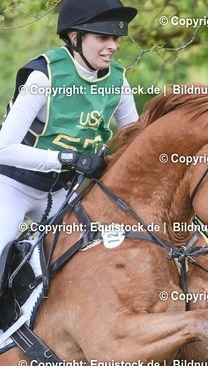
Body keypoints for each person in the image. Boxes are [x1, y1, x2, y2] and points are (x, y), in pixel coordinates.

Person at [0, 0, 139, 258]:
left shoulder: (118, 82)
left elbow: (136, 142)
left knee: (97, 256)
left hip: (61, 192)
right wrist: (70, 159)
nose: (113, 46)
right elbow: (4, 150)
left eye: (115, 38)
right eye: (103, 38)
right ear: (75, 38)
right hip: (13, 185)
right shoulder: (44, 77)